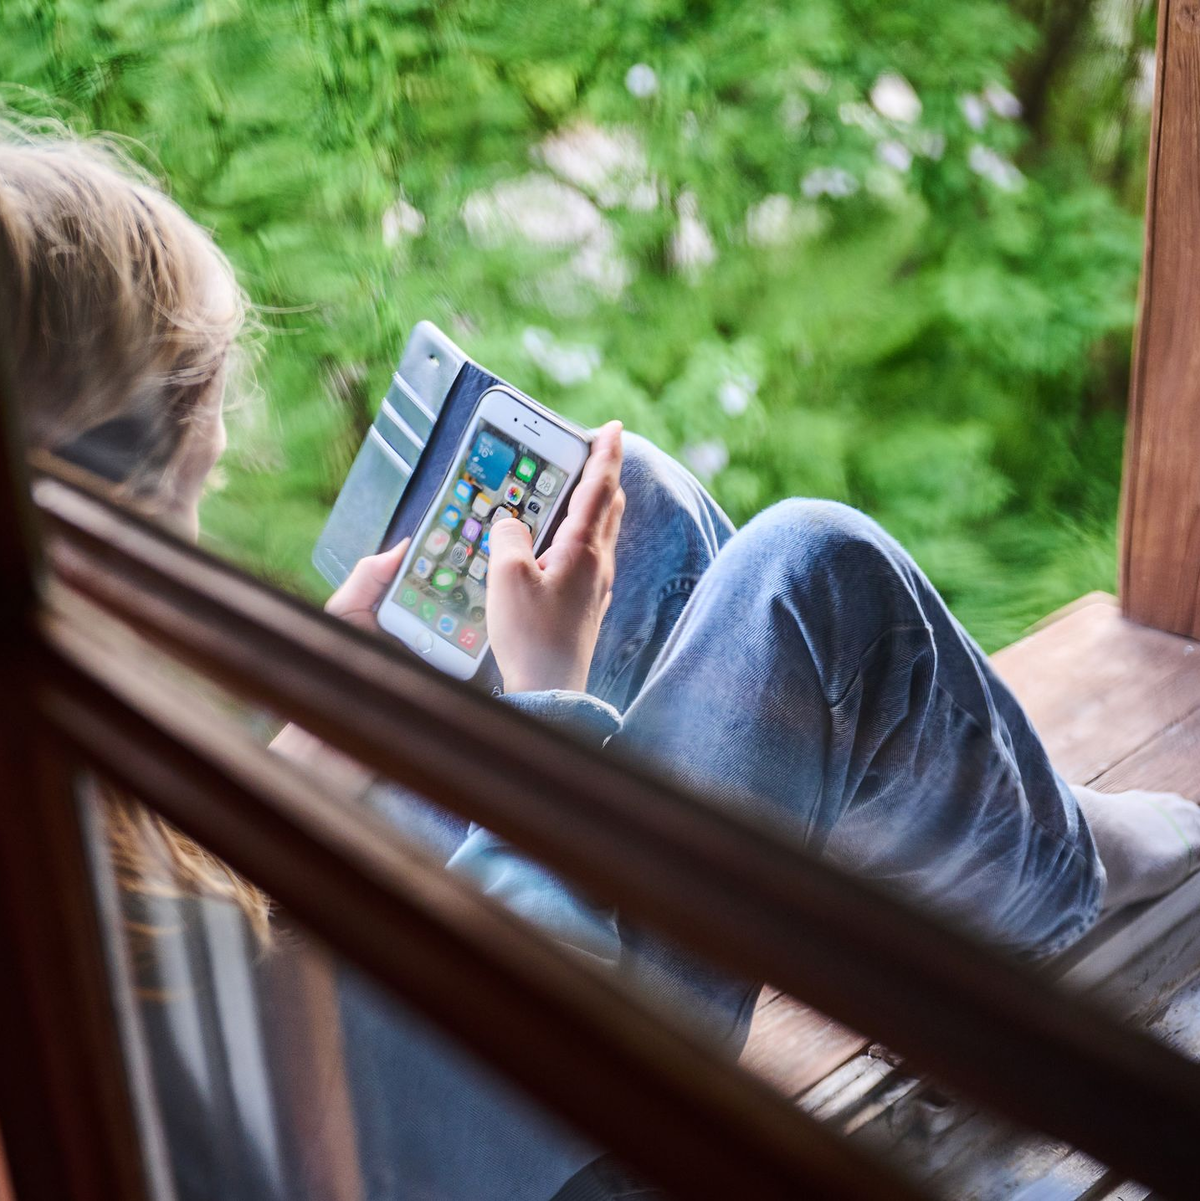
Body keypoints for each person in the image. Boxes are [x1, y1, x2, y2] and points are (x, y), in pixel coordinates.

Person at [3, 129, 1198, 1201]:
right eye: (193, 503)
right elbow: (525, 1037)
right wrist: (539, 710)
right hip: (554, 1119)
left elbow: (234, 906)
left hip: (407, 1055)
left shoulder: (49, 754)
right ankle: (1056, 896)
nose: (199, 536)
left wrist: (329, 722)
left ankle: (974, 843)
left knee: (648, 523)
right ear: (102, 510)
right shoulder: (128, 924)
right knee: (811, 577)